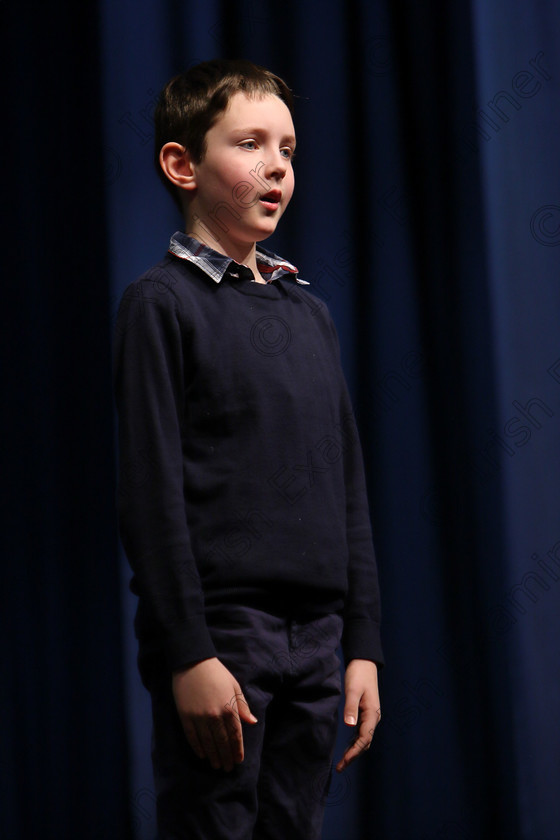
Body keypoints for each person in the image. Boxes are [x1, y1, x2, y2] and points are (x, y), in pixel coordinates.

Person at [113, 58, 383, 840]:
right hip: (227, 636)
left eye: (289, 150)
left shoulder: (310, 314)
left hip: (318, 640)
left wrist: (361, 645)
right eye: (251, 144)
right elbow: (150, 494)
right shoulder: (161, 306)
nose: (277, 167)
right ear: (182, 165)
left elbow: (349, 491)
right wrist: (189, 652)